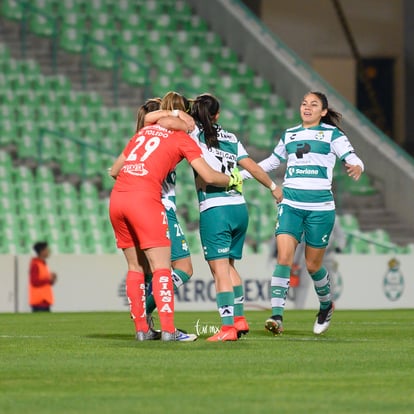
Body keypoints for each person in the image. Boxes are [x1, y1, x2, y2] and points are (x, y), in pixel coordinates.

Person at [108, 96, 242, 342]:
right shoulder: (181, 138)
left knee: (135, 267)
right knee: (162, 268)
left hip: (117, 200)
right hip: (146, 201)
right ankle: (169, 330)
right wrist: (233, 180)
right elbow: (209, 176)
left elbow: (115, 171)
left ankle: (142, 329)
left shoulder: (143, 133)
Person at [242, 91, 364, 335]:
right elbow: (272, 162)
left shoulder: (333, 134)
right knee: (284, 258)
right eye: (304, 103)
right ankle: (276, 317)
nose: (307, 107)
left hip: (321, 208)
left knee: (312, 265)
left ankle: (326, 305)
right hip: (291, 204)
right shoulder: (289, 134)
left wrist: (358, 166)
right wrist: (242, 175)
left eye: (314, 104)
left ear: (323, 111)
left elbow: (352, 157)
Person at [190, 93, 282, 341]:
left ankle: (228, 327)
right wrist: (273, 187)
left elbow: (175, 119)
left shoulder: (193, 135)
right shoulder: (230, 137)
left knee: (219, 271)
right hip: (239, 208)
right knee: (229, 266)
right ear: (217, 115)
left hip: (215, 208)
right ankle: (239, 320)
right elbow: (251, 166)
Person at [29, 241, 57, 312]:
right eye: (46, 249)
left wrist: (52, 280)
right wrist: (48, 279)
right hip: (39, 301)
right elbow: (34, 282)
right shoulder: (35, 264)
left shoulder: (42, 264)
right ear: (42, 251)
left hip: (45, 300)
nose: (48, 251)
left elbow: (45, 282)